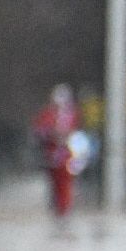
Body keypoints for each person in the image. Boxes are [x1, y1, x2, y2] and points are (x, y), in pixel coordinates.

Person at [31, 85, 82, 217]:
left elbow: (76, 133)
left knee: (66, 183)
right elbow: (39, 131)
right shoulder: (48, 114)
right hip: (52, 155)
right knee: (55, 182)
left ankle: (64, 208)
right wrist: (50, 135)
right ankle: (58, 206)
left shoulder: (72, 114)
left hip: (68, 155)